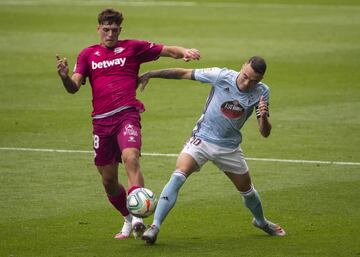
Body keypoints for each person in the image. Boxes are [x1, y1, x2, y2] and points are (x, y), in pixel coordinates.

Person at [55, 8, 200, 240]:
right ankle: (128, 217)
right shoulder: (87, 55)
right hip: (101, 123)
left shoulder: (133, 47)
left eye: (114, 29)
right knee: (109, 180)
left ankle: (139, 216)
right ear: (98, 29)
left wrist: (185, 51)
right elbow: (74, 87)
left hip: (127, 114)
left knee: (131, 157)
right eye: (106, 29)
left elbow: (166, 50)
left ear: (120, 30)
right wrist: (64, 77)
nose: (110, 34)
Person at [137, 56, 286, 244]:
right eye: (245, 76)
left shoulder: (261, 92)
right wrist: (151, 73)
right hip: (202, 139)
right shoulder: (221, 76)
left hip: (228, 148)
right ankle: (154, 227)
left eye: (253, 80)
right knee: (177, 176)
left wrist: (263, 116)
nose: (247, 83)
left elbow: (265, 133)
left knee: (247, 191)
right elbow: (183, 73)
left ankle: (261, 221)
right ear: (242, 67)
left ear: (260, 80)